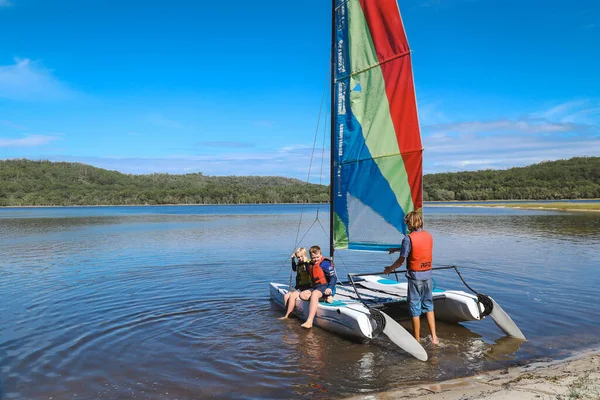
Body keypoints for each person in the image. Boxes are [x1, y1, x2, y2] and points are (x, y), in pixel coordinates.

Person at [384, 211, 439, 344]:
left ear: (410, 223)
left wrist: (389, 269)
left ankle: (417, 340)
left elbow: (401, 261)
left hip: (415, 278)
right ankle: (435, 338)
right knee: (429, 305)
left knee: (415, 308)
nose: (406, 225)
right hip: (428, 276)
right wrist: (396, 249)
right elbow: (417, 247)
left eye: (407, 223)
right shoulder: (428, 236)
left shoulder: (408, 238)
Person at [298, 245, 337, 329]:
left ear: (321, 254)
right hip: (316, 287)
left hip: (325, 286)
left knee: (315, 294)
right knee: (302, 295)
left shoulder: (325, 263)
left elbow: (334, 277)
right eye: (313, 257)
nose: (316, 259)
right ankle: (323, 298)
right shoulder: (310, 264)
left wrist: (330, 288)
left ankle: (309, 321)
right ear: (310, 257)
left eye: (317, 257)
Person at [279, 248, 311, 320]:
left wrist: (305, 262)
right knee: (286, 296)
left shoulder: (308, 263)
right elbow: (294, 269)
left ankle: (287, 316)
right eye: (298, 257)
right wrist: (293, 259)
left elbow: (309, 271)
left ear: (305, 255)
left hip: (307, 286)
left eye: (301, 256)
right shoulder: (299, 264)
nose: (300, 258)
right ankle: (289, 311)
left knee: (293, 296)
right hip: (299, 286)